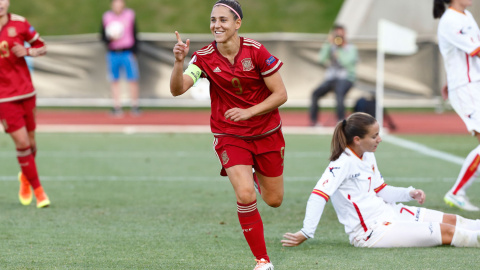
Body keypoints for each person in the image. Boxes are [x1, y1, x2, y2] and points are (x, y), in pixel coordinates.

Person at [170, 1, 287, 269]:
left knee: (274, 200)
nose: (216, 25)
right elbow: (178, 89)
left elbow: (281, 94)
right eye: (213, 20)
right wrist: (178, 63)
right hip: (229, 134)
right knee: (245, 195)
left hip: (267, 132)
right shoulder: (202, 57)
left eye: (223, 20)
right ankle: (263, 261)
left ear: (237, 23)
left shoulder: (256, 52)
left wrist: (249, 112)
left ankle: (256, 177)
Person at [281, 112, 480, 248]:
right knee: (448, 232)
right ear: (357, 139)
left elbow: (381, 189)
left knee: (454, 220)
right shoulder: (342, 164)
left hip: (390, 212)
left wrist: (408, 193)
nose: (380, 139)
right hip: (372, 232)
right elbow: (318, 195)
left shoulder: (367, 154)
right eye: (375, 136)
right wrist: (307, 231)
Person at [0, 0, 50, 208]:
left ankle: (25, 177)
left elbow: (42, 46)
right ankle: (39, 192)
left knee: (31, 141)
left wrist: (29, 52)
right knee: (22, 143)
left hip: (26, 92)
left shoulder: (20, 24)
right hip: (3, 98)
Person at [434, 0, 480, 211]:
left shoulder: (465, 16)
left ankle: (457, 192)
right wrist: (453, 82)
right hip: (466, 88)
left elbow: (458, 55)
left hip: (472, 85)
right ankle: (456, 193)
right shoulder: (450, 20)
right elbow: (476, 50)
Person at [309, 24, 358, 126]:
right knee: (315, 93)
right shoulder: (331, 46)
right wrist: (328, 44)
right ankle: (314, 122)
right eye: (337, 35)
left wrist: (339, 52)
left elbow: (347, 63)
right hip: (332, 78)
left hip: (346, 78)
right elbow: (321, 59)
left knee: (339, 93)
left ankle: (341, 121)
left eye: (341, 35)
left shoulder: (351, 48)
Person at [101, 0, 140, 116]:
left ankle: (135, 106)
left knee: (132, 79)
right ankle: (117, 107)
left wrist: (134, 52)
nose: (118, 6)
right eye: (115, 4)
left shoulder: (130, 15)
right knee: (114, 80)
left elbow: (135, 33)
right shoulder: (107, 17)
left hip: (127, 52)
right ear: (112, 5)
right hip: (113, 53)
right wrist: (110, 39)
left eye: (120, 3)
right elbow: (102, 36)